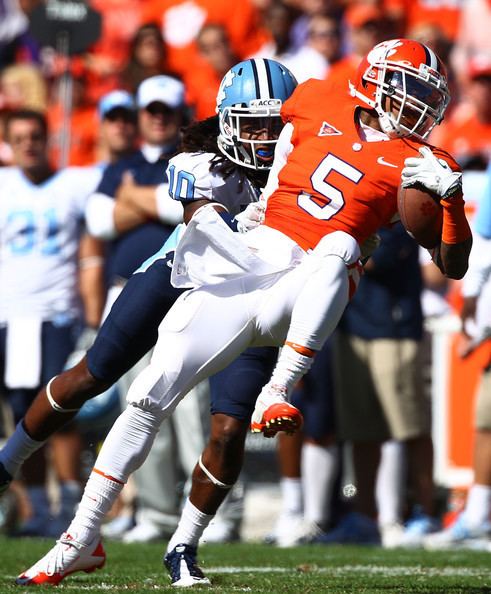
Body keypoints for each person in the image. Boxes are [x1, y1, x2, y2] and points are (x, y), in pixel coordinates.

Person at [16, 39, 472, 587]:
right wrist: (193, 152)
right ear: (377, 80)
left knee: (339, 250)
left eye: (430, 95)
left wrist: (449, 204)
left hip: (303, 288)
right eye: (414, 90)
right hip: (247, 261)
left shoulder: (427, 162)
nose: (422, 105)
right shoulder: (318, 97)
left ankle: (276, 395)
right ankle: (77, 540)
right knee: (145, 398)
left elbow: (453, 263)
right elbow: (244, 118)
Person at [0, 55, 296, 574]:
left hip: (251, 301)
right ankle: (6, 464)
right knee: (89, 377)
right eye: (253, 123)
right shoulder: (198, 163)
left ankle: (184, 544)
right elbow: (205, 228)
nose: (265, 137)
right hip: (176, 277)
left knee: (228, 429)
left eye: (275, 124)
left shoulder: (304, 172)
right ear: (227, 120)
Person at [0, 109, 103, 536]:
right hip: (11, 317)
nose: (28, 144)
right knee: (24, 415)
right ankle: (39, 509)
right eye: (19, 137)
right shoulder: (3, 186)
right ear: (9, 141)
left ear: (48, 139)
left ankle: (73, 506)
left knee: (62, 413)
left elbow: (114, 183)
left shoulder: (72, 184)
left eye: (35, 136)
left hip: (57, 316)